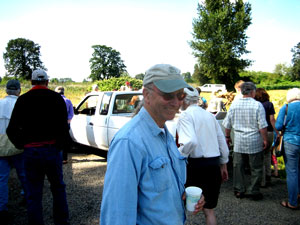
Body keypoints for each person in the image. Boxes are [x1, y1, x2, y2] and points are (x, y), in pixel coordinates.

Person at [100, 64, 205, 225]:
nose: (176, 102)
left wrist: (181, 195)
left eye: (180, 95)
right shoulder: (128, 142)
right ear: (146, 95)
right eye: (168, 95)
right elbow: (116, 215)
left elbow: (156, 190)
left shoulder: (164, 132)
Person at [6, 70, 71, 225]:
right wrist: (59, 147)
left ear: (32, 82)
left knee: (34, 192)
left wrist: (23, 144)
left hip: (31, 152)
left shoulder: (23, 100)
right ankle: (62, 222)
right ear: (47, 82)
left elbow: (11, 129)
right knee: (58, 189)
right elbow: (64, 128)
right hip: (52, 150)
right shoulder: (57, 99)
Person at [177, 86, 229, 225]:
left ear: (183, 100)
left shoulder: (185, 115)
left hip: (195, 166)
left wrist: (178, 157)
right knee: (209, 210)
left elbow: (190, 141)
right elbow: (221, 141)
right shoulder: (209, 115)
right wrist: (223, 163)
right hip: (213, 164)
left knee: (182, 205)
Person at [222, 82, 268, 200]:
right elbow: (262, 125)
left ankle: (239, 189)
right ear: (253, 92)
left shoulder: (234, 105)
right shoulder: (258, 105)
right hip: (254, 140)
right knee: (256, 167)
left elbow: (227, 124)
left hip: (239, 141)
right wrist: (265, 139)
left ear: (242, 91)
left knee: (238, 166)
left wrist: (227, 137)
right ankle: (253, 190)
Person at [0, 80, 27, 223]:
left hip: (1, 147)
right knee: (23, 175)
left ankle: (2, 208)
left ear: (6, 91)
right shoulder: (22, 104)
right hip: (18, 145)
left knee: (1, 178)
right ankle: (27, 198)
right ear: (19, 90)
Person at [276, 88, 300, 210]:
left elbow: (278, 126)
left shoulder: (286, 108)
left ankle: (292, 202)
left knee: (292, 172)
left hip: (291, 141)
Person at [254, 88, 279, 187]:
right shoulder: (269, 104)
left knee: (260, 156)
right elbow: (272, 119)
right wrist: (277, 131)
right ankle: (268, 175)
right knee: (268, 154)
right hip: (270, 132)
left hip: (260, 132)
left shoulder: (256, 105)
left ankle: (262, 181)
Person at [55, 86, 74, 164]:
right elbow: (71, 113)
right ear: (63, 92)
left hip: (55, 124)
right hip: (65, 124)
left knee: (55, 140)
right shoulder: (68, 101)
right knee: (65, 141)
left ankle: (56, 157)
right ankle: (64, 158)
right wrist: (68, 121)